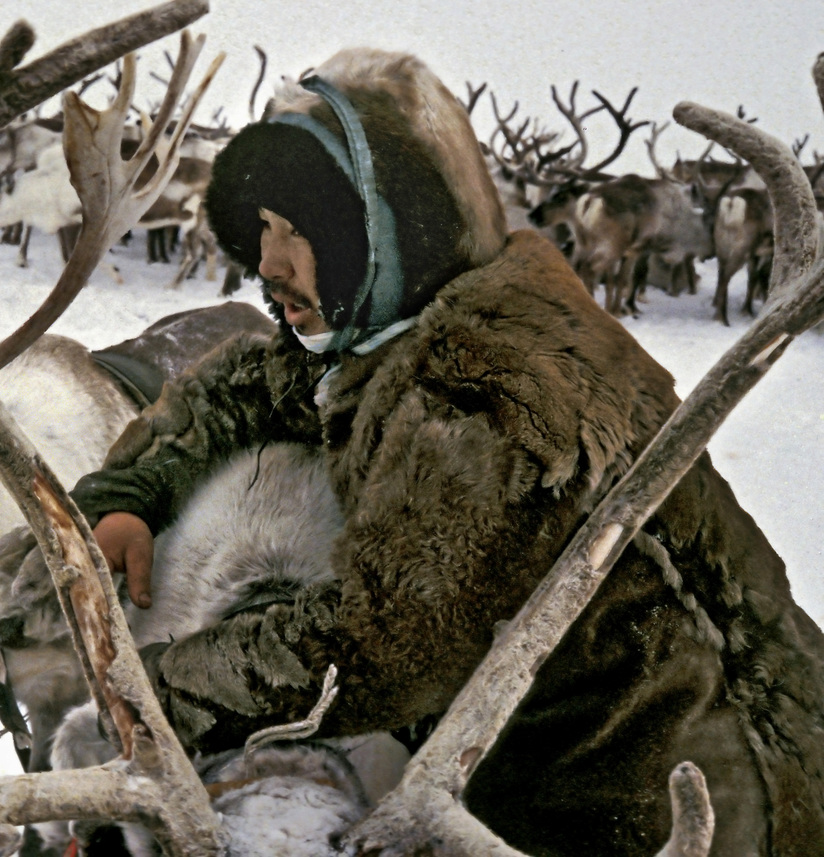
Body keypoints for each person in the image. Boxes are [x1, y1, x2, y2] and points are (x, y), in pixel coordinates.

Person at [68, 48, 824, 854]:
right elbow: (248, 383)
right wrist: (129, 492)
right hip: (545, 772)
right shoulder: (404, 321)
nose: (270, 263)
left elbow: (376, 646)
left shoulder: (487, 390)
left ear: (393, 232)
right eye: (264, 229)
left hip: (683, 801)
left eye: (300, 231)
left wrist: (147, 693)